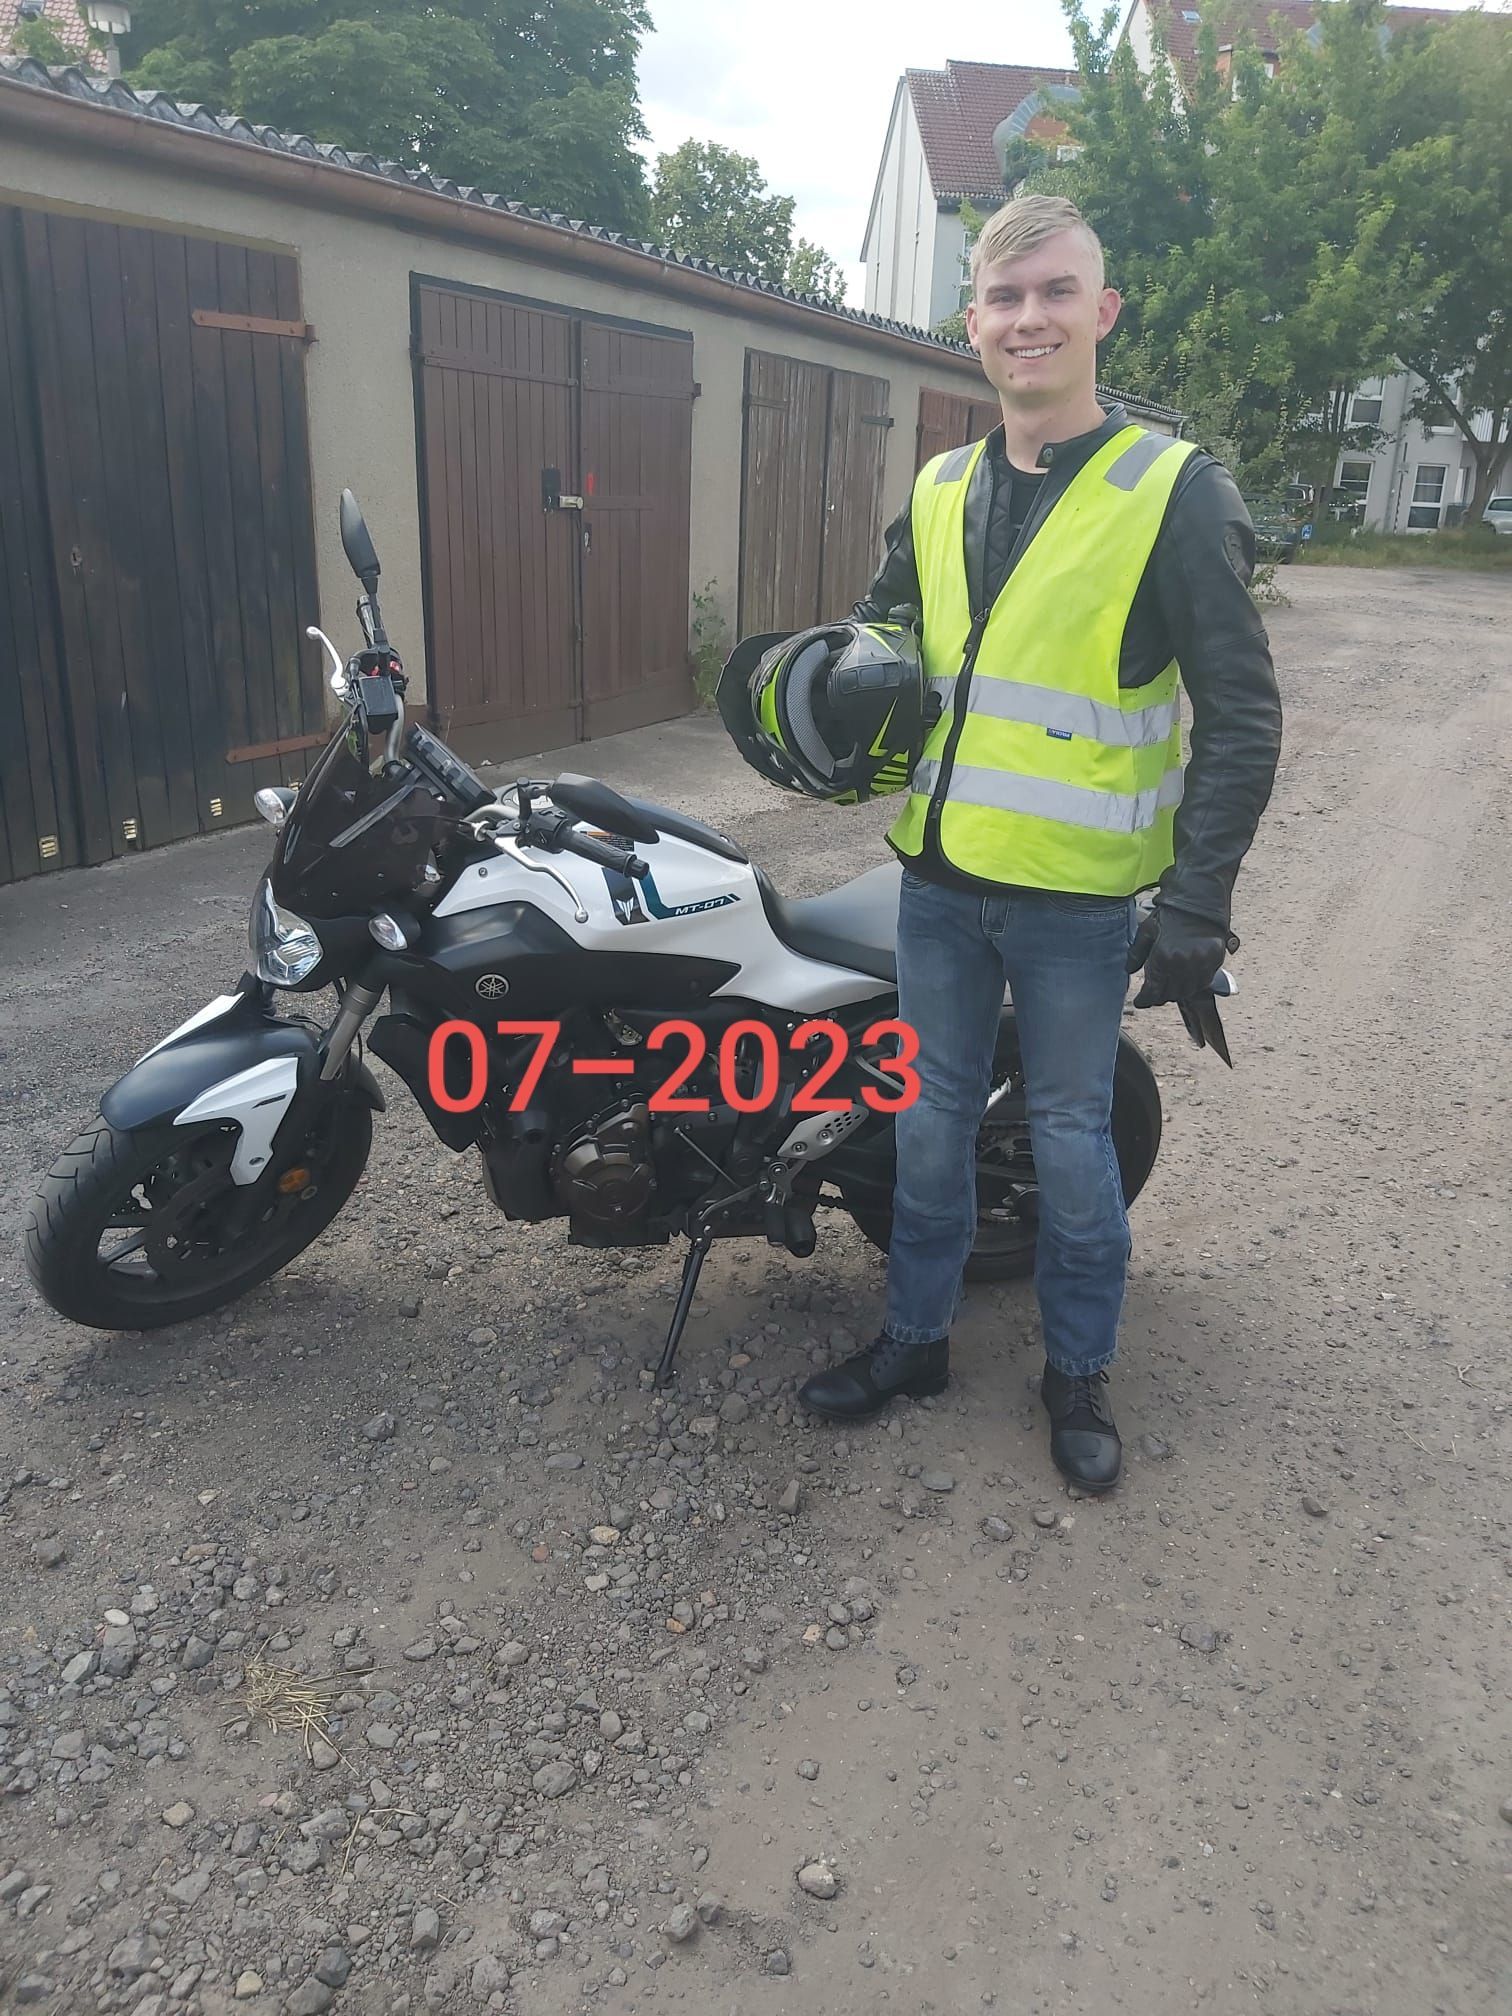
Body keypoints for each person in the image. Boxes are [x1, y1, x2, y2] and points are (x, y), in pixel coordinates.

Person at [795, 193, 1283, 1493]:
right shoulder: (940, 486)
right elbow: (888, 639)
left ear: (1102, 311)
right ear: (972, 322)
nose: (1030, 319)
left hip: (1076, 905)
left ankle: (1078, 1371)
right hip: (938, 885)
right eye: (1005, 298)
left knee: (1070, 1147)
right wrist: (826, 688)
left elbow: (1243, 715)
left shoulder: (1171, 493)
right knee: (926, 1128)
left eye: (1056, 292)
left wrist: (1198, 902)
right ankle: (915, 1344)